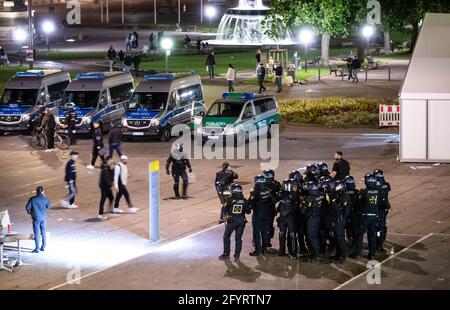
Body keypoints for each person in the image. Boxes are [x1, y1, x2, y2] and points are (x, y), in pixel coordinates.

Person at [351, 174, 381, 260]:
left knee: (359, 234)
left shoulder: (363, 192)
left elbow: (359, 204)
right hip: (374, 216)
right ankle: (372, 253)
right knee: (372, 235)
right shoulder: (378, 191)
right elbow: (381, 204)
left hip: (365, 217)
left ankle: (357, 252)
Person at [219, 184, 251, 260]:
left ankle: (226, 254)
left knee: (226, 236)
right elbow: (248, 212)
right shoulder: (244, 200)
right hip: (241, 221)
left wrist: (226, 216)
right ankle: (237, 255)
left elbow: (224, 210)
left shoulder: (229, 200)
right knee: (238, 238)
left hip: (231, 221)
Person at [248, 175, 277, 256]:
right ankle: (264, 250)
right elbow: (274, 201)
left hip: (257, 215)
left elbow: (250, 205)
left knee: (256, 232)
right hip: (266, 215)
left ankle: (258, 250)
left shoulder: (255, 192)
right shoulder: (267, 191)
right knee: (264, 232)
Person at [301, 181, 324, 262]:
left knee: (312, 237)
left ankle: (316, 255)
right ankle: (317, 252)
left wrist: (302, 203)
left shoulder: (309, 198)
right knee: (316, 236)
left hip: (312, 219)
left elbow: (303, 211)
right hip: (318, 217)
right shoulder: (320, 195)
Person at [330, 180, 351, 263]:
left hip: (340, 219)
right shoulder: (339, 195)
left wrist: (334, 202)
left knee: (340, 237)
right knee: (337, 237)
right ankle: (338, 255)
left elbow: (340, 210)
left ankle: (342, 256)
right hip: (337, 218)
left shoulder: (345, 196)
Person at [277, 179, 299, 258]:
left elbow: (296, 206)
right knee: (282, 234)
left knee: (292, 235)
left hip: (290, 217)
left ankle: (293, 251)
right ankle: (281, 250)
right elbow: (277, 204)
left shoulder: (294, 195)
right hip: (284, 217)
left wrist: (288, 211)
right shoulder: (281, 194)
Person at [26, 186, 51, 253]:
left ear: (36, 192)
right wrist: (44, 196)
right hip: (43, 218)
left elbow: (27, 207)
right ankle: (43, 247)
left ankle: (37, 249)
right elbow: (48, 206)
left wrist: (31, 213)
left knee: (36, 233)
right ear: (42, 191)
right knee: (43, 232)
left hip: (36, 218)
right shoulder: (45, 198)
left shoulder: (33, 199)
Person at [373, 169, 391, 251]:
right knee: (383, 225)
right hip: (385, 208)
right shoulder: (387, 184)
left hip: (377, 209)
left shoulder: (375, 186)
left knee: (377, 227)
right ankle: (382, 239)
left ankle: (377, 243)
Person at [263, 169, 281, 247]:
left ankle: (266, 240)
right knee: (267, 224)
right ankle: (266, 240)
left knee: (266, 225)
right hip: (267, 208)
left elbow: (278, 196)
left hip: (268, 208)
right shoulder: (276, 184)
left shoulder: (274, 185)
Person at [98, 156, 115, 220]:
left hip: (107, 186)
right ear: (108, 160)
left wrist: (112, 169)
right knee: (103, 199)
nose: (112, 161)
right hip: (104, 186)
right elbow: (106, 178)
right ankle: (100, 214)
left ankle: (108, 210)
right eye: (111, 160)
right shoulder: (105, 168)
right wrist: (111, 186)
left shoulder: (108, 167)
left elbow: (111, 177)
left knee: (111, 197)